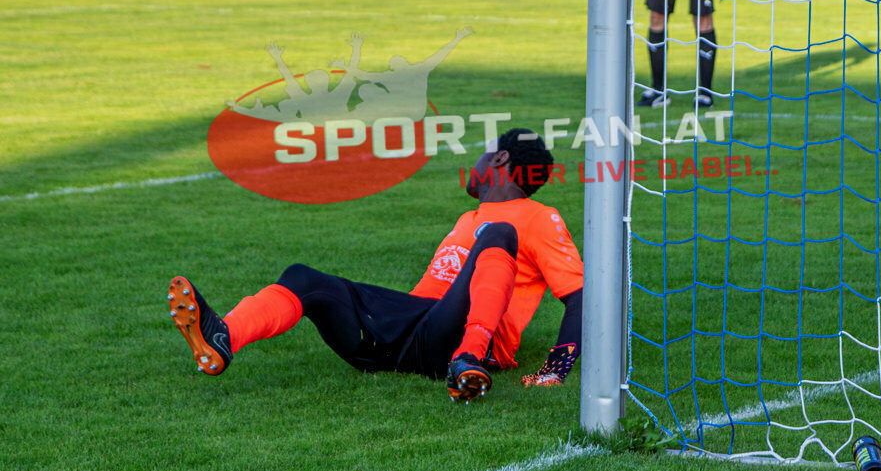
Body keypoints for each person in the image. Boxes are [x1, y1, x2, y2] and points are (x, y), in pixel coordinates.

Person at [167, 128, 583, 402]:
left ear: (500, 158)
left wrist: (555, 369)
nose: (472, 164)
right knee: (304, 279)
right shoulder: (468, 218)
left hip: (456, 337)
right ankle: (224, 337)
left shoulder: (537, 216)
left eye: (482, 153)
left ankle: (468, 360)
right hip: (412, 330)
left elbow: (581, 298)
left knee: (499, 235)